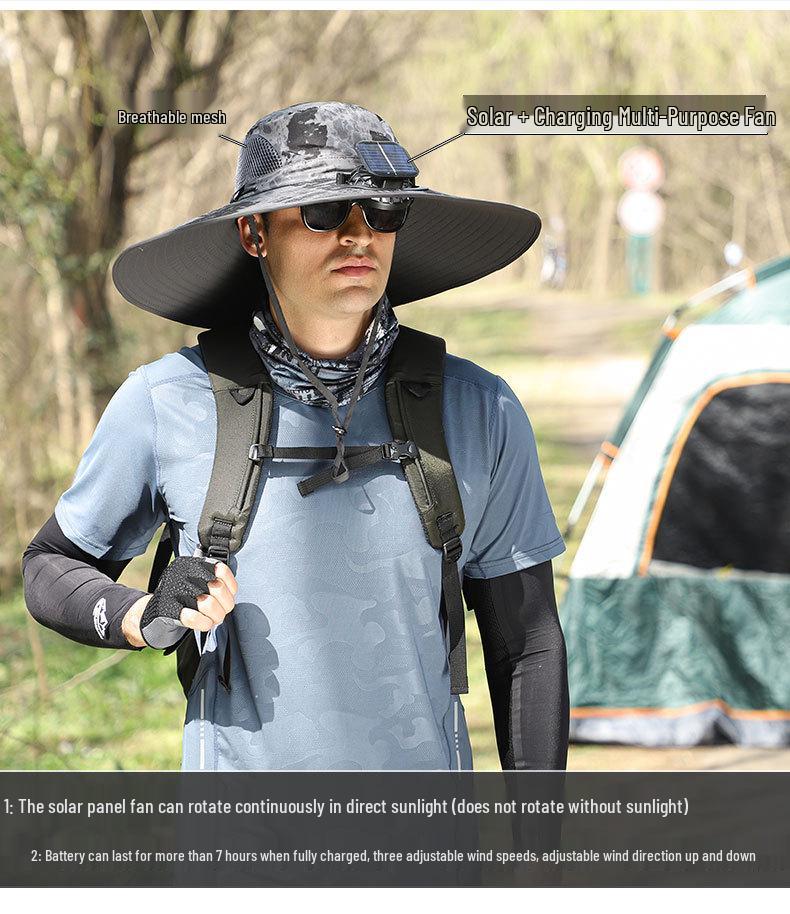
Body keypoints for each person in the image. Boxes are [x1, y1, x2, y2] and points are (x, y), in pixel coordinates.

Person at [23, 102, 569, 771]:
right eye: (323, 211)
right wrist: (143, 614)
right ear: (254, 232)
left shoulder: (479, 409)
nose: (359, 234)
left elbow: (528, 643)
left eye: (383, 210)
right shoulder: (166, 402)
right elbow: (50, 567)